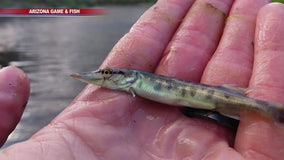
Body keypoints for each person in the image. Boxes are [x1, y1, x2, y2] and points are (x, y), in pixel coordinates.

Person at [0, 0, 284, 159]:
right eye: (106, 74)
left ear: (126, 78)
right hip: (212, 100)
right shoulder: (131, 84)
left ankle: (272, 112)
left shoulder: (133, 81)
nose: (102, 77)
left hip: (219, 97)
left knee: (232, 101)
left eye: (108, 74)